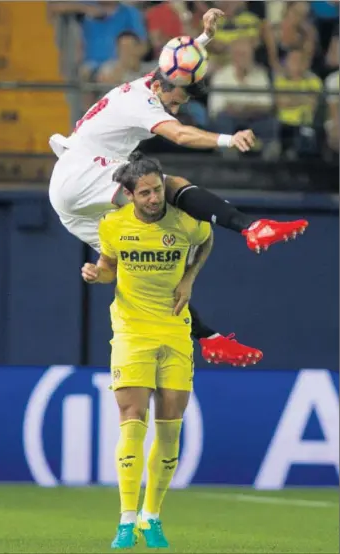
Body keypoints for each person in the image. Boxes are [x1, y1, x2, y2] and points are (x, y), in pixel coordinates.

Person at [49, 7, 308, 364]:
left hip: (69, 199)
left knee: (151, 267)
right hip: (81, 171)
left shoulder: (156, 80)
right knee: (166, 186)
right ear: (159, 88)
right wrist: (227, 139)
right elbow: (180, 135)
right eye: (172, 102)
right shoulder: (141, 100)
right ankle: (252, 227)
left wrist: (204, 38)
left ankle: (209, 339)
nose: (171, 110)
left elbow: (173, 64)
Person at [80, 153, 226, 548]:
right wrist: (98, 274)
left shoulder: (183, 221)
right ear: (128, 194)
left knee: (171, 422)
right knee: (132, 416)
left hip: (175, 330)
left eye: (157, 189)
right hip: (131, 331)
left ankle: (152, 516)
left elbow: (208, 238)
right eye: (144, 192)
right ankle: (127, 520)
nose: (153, 199)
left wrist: (190, 279)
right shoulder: (113, 224)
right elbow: (110, 265)